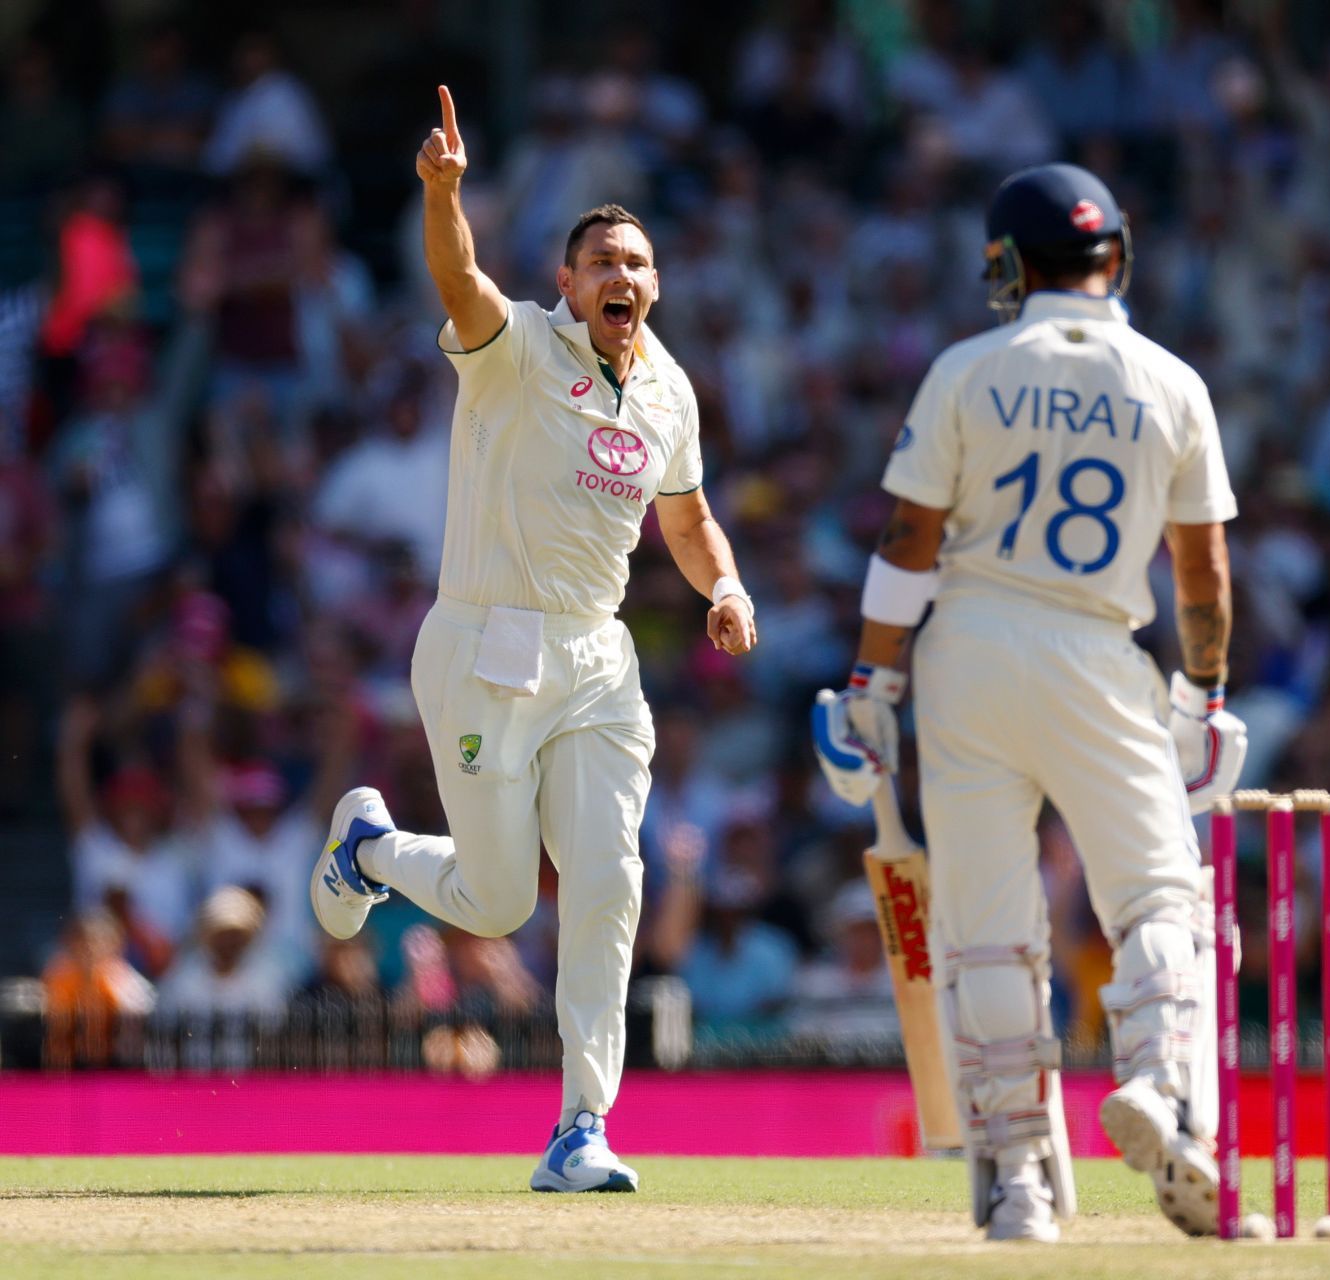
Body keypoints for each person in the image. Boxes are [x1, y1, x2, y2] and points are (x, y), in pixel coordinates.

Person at [310, 86, 757, 1193]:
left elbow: (689, 520)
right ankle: (369, 848)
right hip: (483, 646)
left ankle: (582, 1126)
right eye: (602, 262)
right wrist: (444, 194)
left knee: (611, 879)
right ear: (567, 282)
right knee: (502, 900)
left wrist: (728, 584)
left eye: (638, 264)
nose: (623, 279)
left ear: (658, 284)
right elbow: (458, 279)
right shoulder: (513, 345)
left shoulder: (669, 389)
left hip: (600, 661)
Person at [812, 163, 1247, 1241]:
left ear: (1008, 264)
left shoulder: (967, 370)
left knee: (991, 933)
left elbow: (907, 544)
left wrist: (873, 682)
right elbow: (1203, 575)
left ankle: (1018, 1182)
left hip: (967, 654)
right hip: (1100, 649)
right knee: (1157, 899)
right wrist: (1205, 692)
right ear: (1120, 256)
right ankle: (1160, 1088)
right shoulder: (1173, 382)